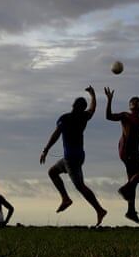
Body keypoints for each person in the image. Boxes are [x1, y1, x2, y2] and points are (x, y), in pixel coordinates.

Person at [40, 86, 107, 227]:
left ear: (73, 105)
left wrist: (46, 149)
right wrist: (93, 95)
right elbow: (93, 108)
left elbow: (56, 135)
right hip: (77, 157)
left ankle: (99, 210)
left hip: (71, 159)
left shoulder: (66, 118)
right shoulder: (84, 117)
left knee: (80, 186)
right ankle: (65, 198)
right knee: (52, 172)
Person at [104, 87, 139, 224]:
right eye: (134, 104)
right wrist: (109, 101)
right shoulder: (126, 116)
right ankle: (125, 189)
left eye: (138, 104)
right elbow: (109, 116)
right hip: (126, 152)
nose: (136, 106)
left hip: (133, 153)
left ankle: (131, 211)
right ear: (130, 106)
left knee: (133, 182)